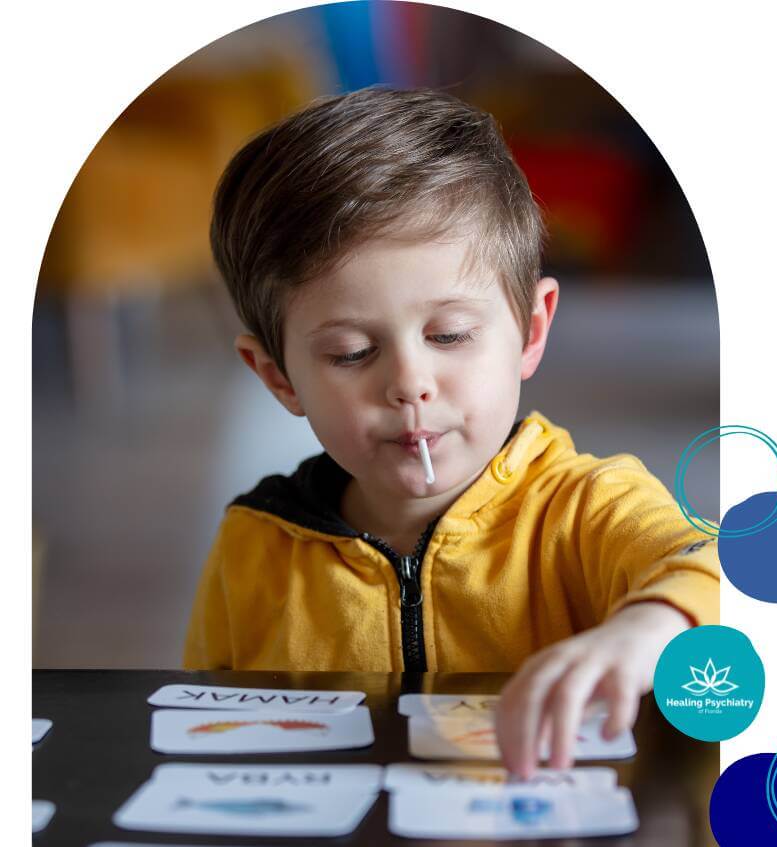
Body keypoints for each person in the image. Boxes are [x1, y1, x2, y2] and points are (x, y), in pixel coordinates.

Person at [183, 86, 719, 776]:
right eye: (351, 351)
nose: (410, 383)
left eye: (450, 334)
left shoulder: (587, 507)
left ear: (529, 330)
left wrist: (646, 627)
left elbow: (718, 567)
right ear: (278, 375)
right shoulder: (253, 546)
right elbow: (202, 733)